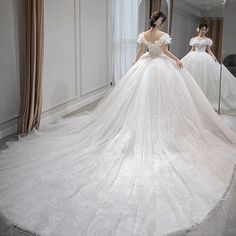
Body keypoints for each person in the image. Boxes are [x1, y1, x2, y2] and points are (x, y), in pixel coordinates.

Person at [0, 11, 236, 236]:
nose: (162, 24)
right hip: (158, 68)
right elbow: (164, 53)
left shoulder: (144, 35)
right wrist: (177, 61)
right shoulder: (163, 37)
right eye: (162, 21)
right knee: (161, 101)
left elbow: (139, 55)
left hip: (144, 66)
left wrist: (135, 65)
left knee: (136, 102)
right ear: (160, 22)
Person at [182, 23, 236, 111]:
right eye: (202, 29)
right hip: (193, 57)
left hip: (204, 57)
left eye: (205, 30)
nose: (203, 31)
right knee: (193, 76)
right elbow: (192, 50)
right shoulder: (194, 39)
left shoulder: (207, 40)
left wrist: (213, 57)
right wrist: (185, 57)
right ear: (198, 29)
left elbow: (209, 50)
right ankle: (193, 98)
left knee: (205, 78)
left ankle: (203, 98)